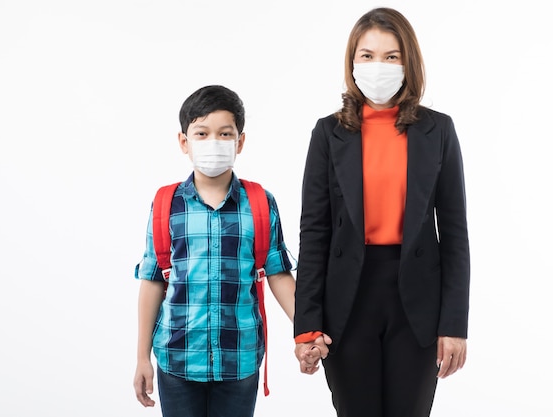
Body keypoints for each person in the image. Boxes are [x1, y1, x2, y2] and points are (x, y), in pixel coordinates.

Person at [293, 7, 471, 417]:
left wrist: (454, 325)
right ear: (352, 63)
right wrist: (306, 323)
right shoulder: (328, 132)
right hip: (347, 301)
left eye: (392, 56)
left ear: (409, 63)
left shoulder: (438, 130)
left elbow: (455, 233)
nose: (379, 66)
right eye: (367, 55)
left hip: (418, 302)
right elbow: (314, 232)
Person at [133, 85, 296, 417]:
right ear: (184, 142)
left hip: (240, 359)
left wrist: (307, 331)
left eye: (225, 134)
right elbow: (153, 282)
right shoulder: (166, 204)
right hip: (176, 359)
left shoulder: (260, 203)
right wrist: (141, 357)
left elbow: (278, 272)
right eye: (202, 133)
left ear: (240, 141)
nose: (214, 142)